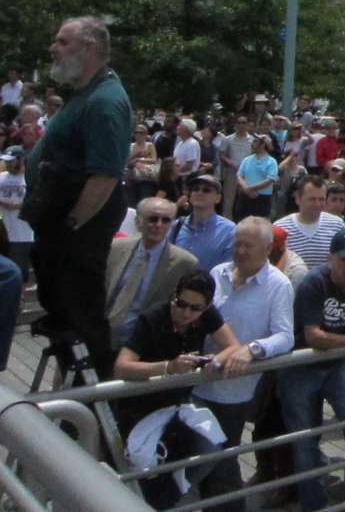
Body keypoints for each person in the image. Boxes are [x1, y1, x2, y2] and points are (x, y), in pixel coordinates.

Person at [21, 16, 133, 368]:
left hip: (77, 227)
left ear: (88, 48)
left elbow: (104, 178)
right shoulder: (84, 93)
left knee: (82, 317)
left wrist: (70, 226)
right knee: (64, 315)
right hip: (59, 221)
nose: (53, 48)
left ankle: (95, 404)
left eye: (62, 42)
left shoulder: (104, 102)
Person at [193, 217, 294, 512]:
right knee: (203, 462)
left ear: (266, 248)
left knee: (221, 465)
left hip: (233, 392)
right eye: (236, 243)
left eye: (247, 245)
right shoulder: (217, 273)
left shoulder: (279, 285)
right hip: (197, 383)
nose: (240, 250)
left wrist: (253, 350)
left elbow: (285, 337)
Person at [278, 229, 345, 512]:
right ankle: (314, 505)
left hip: (336, 365)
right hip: (300, 368)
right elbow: (313, 336)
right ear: (331, 257)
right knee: (305, 441)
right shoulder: (314, 283)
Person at [112, 270, 241, 431]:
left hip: (180, 405)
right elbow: (121, 368)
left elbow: (234, 346)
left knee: (210, 449)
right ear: (174, 296)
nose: (187, 313)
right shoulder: (153, 318)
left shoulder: (207, 314)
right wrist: (169, 367)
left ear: (207, 306)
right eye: (181, 304)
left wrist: (215, 361)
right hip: (140, 407)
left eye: (195, 308)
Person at [105, 198, 199, 354]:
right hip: (100, 340)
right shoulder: (116, 248)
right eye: (153, 218)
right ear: (138, 221)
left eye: (166, 220)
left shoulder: (185, 263)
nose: (159, 225)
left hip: (141, 349)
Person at [276, 175, 345, 270]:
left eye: (321, 199)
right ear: (298, 198)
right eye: (312, 199)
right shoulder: (281, 228)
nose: (317, 204)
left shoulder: (337, 225)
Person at [170, 175, 236, 274]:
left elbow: (227, 270)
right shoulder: (176, 226)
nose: (200, 193)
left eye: (207, 190)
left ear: (218, 198)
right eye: (196, 189)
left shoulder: (229, 231)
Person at [0, 147, 32, 280]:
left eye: (11, 161)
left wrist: (19, 205)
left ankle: (21, 297)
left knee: (20, 269)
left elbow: (36, 199)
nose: (8, 164)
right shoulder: (1, 177)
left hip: (23, 232)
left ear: (21, 160)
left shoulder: (29, 178)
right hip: (4, 230)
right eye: (7, 161)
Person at [236, 135, 278, 222]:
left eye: (255, 141)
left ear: (263, 145)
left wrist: (251, 188)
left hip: (262, 199)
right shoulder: (247, 160)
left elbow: (269, 180)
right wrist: (246, 188)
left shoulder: (271, 162)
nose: (252, 143)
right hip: (245, 198)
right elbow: (239, 176)